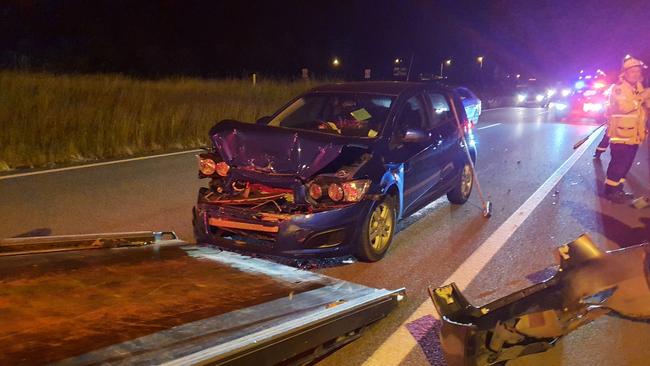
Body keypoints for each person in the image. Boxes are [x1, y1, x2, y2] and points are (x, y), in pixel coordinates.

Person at [603, 56, 650, 203]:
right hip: (621, 134)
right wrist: (642, 97)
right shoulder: (619, 88)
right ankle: (610, 191)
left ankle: (618, 189)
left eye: (638, 71)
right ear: (625, 73)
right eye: (632, 71)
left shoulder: (637, 88)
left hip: (633, 135)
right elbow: (624, 107)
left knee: (626, 164)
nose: (636, 74)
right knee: (619, 163)